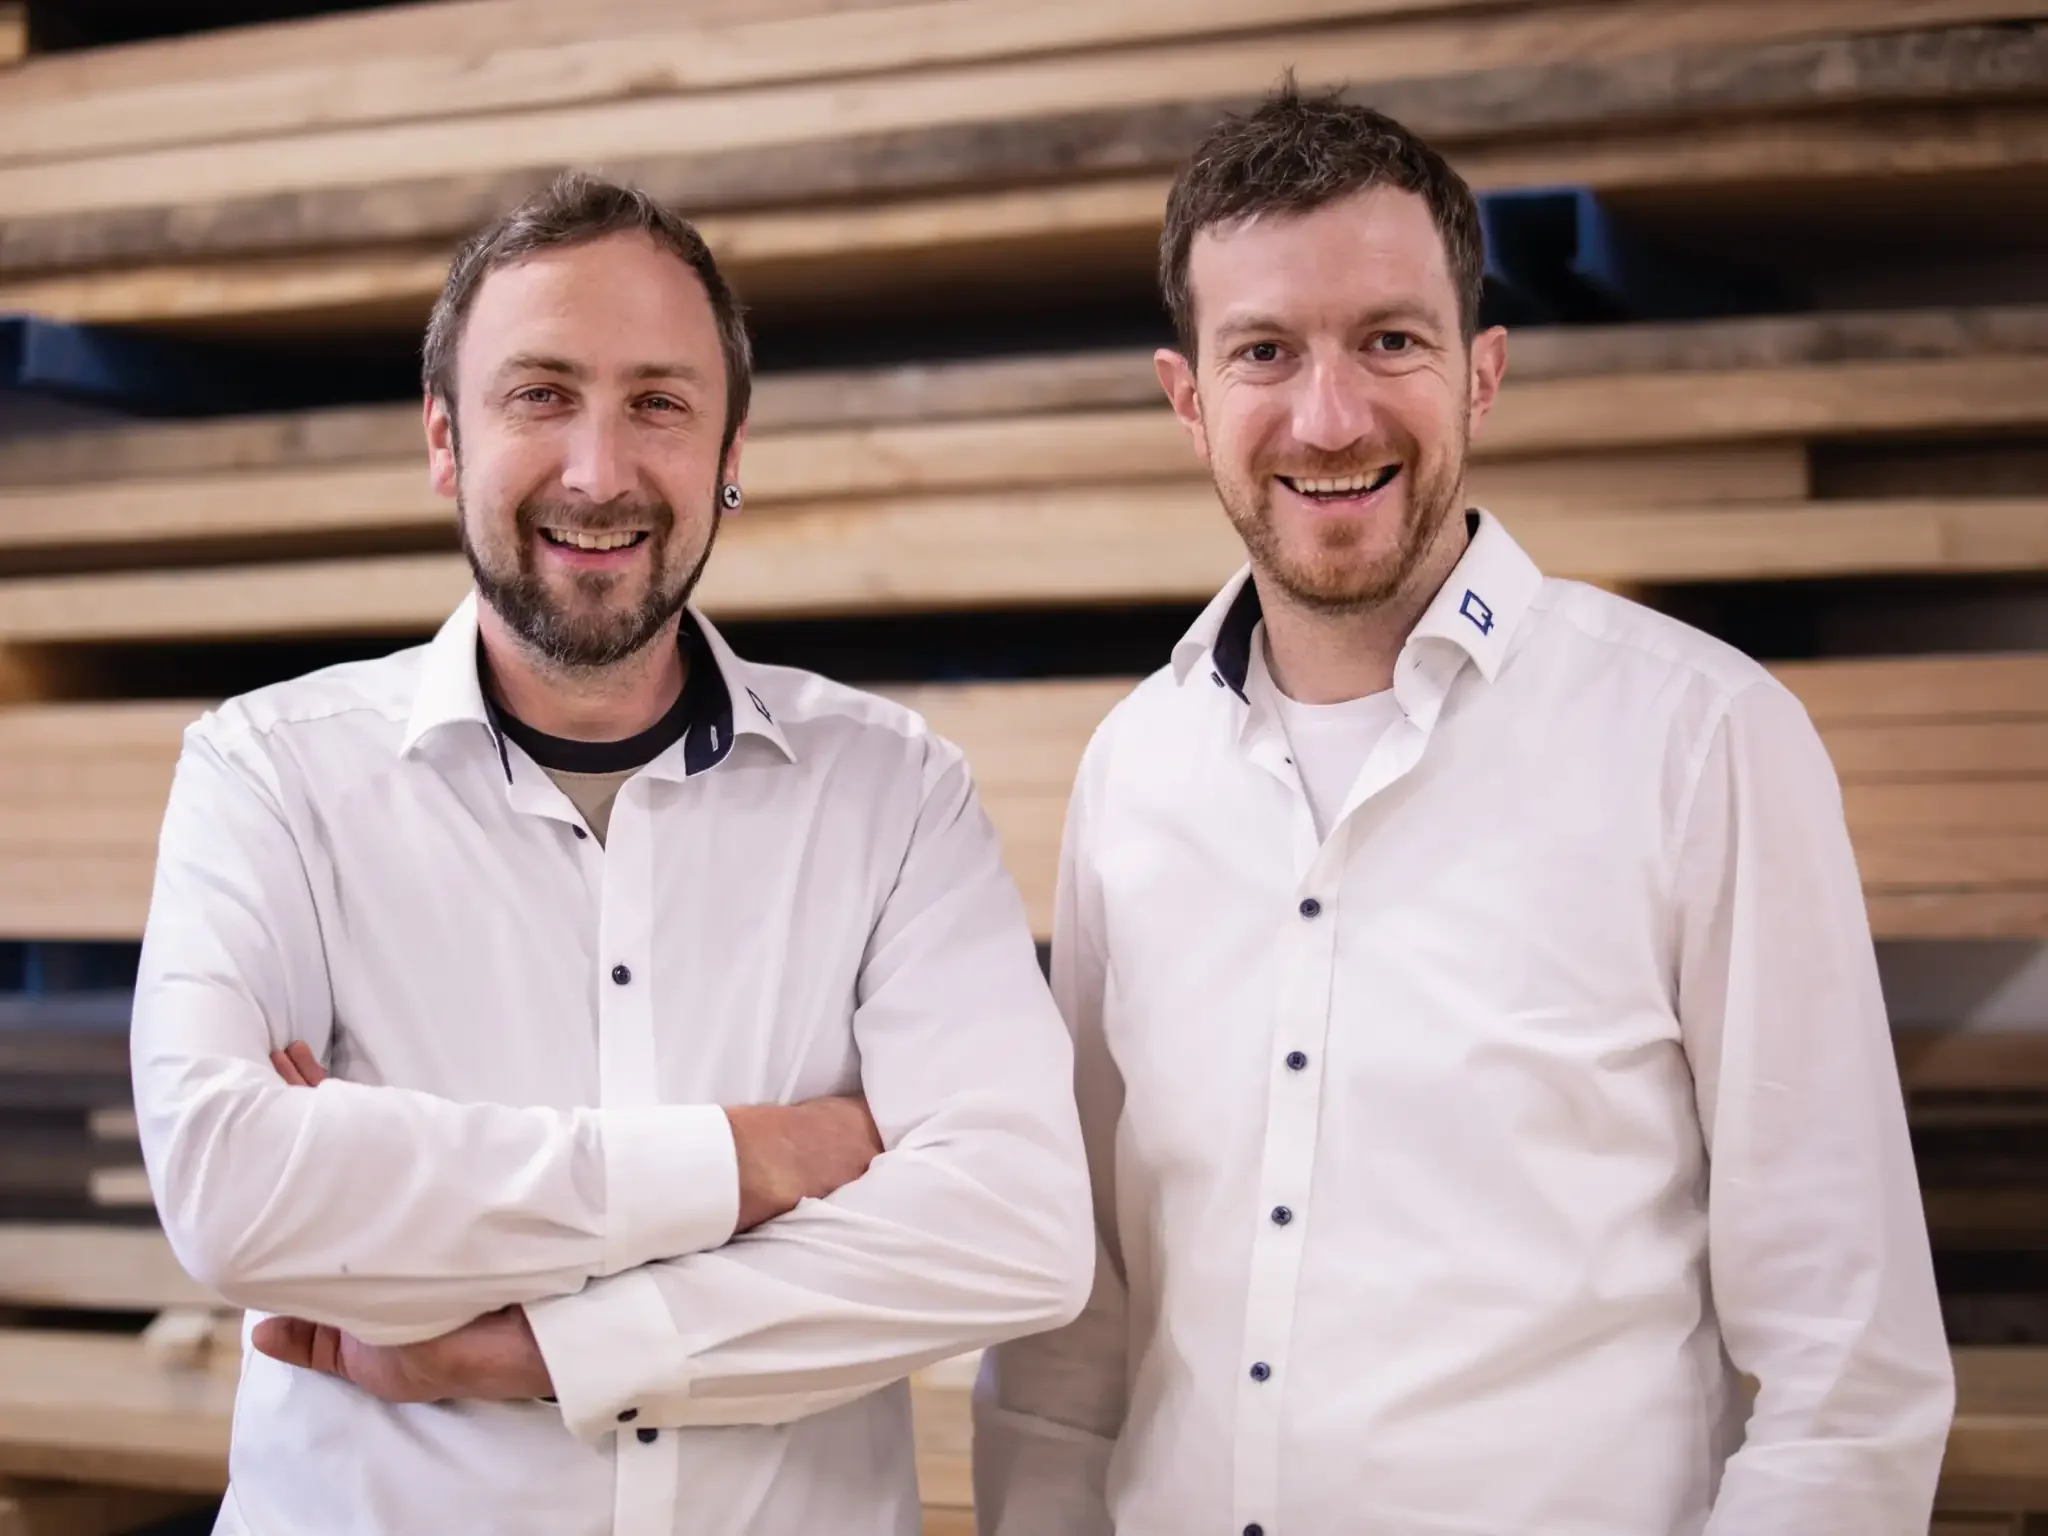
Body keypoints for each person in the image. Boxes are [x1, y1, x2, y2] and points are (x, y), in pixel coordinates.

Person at [972, 84, 1955, 1536]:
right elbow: (1074, 1339)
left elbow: (1849, 1371)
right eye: (1265, 351)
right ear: (1190, 401)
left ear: (1482, 373)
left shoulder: (1703, 741)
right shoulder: (1136, 770)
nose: (1330, 414)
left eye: (1390, 341)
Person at [129, 172, 1093, 1536]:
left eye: (658, 402)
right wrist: (757, 1164)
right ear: (445, 443)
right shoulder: (270, 775)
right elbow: (239, 1200)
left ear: (730, 452)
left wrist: (521, 1338)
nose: (598, 470)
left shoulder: (894, 797)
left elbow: (1018, 1233)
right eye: (539, 395)